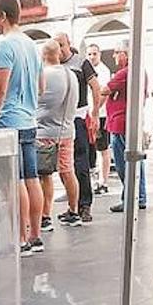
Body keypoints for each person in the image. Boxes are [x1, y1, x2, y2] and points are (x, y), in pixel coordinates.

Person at [0, 0, 45, 255]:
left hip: (9, 121)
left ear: (3, 16)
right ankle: (35, 235)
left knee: (15, 181)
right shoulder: (32, 45)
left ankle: (20, 239)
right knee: (32, 179)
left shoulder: (4, 46)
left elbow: (0, 89)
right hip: (30, 119)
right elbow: (41, 86)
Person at [55, 31, 101, 226]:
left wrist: (96, 113)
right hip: (59, 120)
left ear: (68, 44)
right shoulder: (53, 66)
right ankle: (72, 206)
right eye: (56, 46)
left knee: (80, 162)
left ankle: (85, 205)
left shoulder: (82, 63)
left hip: (78, 118)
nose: (59, 50)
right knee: (64, 165)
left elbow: (96, 86)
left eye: (62, 45)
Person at [35, 39, 78, 232]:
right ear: (58, 54)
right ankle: (73, 211)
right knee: (67, 171)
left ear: (44, 56)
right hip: (67, 130)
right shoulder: (72, 75)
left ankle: (45, 216)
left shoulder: (44, 75)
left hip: (45, 131)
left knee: (45, 175)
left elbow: (38, 100)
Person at [106, 39, 146, 212]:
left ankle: (132, 197)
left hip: (120, 122)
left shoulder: (124, 73)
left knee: (125, 164)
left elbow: (104, 89)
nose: (114, 55)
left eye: (116, 52)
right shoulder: (138, 71)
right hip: (128, 122)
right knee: (135, 162)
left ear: (125, 54)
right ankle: (137, 196)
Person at [87, 43, 112, 194]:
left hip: (100, 115)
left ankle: (103, 181)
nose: (91, 57)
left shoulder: (103, 71)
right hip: (89, 114)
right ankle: (96, 180)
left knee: (103, 148)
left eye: (94, 54)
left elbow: (104, 93)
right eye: (89, 54)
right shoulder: (88, 69)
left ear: (99, 54)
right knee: (92, 148)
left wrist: (95, 111)